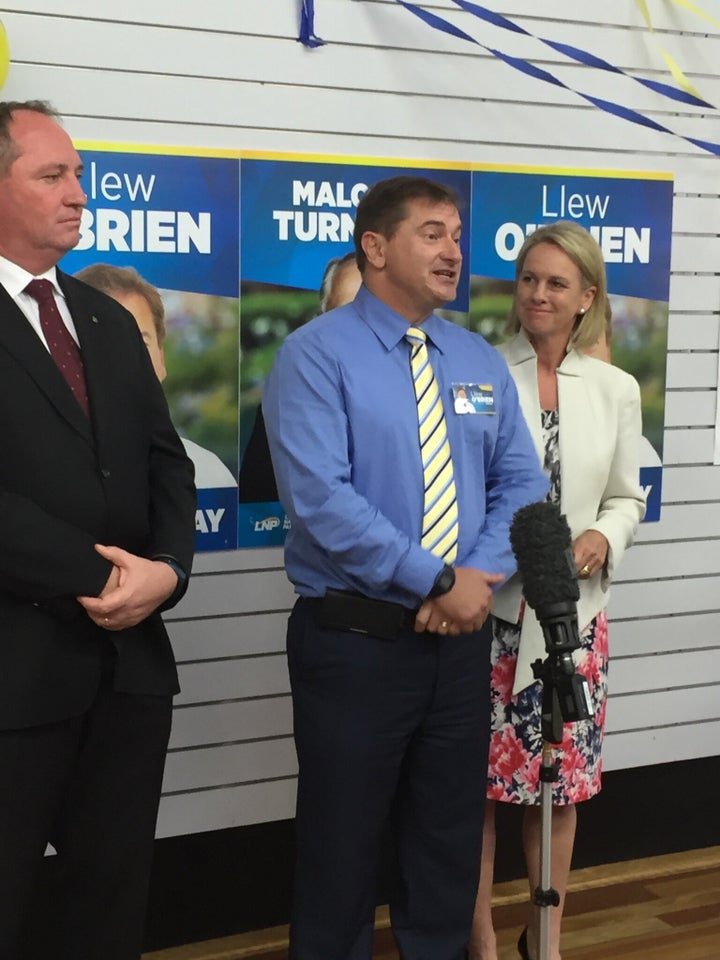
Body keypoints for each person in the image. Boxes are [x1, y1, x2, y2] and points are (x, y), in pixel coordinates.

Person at [263, 175, 548, 960]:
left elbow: (523, 481)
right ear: (376, 247)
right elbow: (323, 501)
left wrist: (475, 580)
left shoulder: (475, 357)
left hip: (457, 648)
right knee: (340, 853)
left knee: (448, 848)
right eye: (431, 232)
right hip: (354, 646)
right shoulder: (315, 356)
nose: (453, 249)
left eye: (457, 233)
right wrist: (437, 579)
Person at [0, 100, 196, 960]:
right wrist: (102, 574)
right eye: (52, 176)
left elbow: (169, 468)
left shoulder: (108, 319)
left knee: (110, 909)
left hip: (128, 674)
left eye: (78, 174)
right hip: (14, 676)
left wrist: (169, 572)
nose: (78, 193)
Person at [470, 222, 646, 960]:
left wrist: (606, 536)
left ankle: (545, 940)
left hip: (576, 623)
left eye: (556, 283)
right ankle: (476, 937)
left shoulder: (615, 387)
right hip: (488, 615)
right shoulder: (475, 370)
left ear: (587, 298)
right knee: (476, 790)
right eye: (528, 279)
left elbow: (625, 497)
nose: (538, 295)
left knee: (561, 787)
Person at [74, 263, 237, 489]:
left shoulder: (208, 474)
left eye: (140, 341)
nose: (125, 359)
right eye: (103, 341)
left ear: (161, 358)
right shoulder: (33, 477)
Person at [239, 250, 361, 503]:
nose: (359, 331)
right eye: (343, 316)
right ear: (318, 321)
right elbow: (258, 498)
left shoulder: (425, 393)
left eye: (373, 316)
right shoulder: (289, 401)